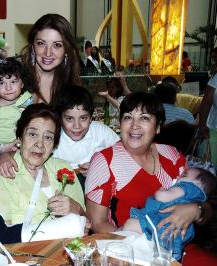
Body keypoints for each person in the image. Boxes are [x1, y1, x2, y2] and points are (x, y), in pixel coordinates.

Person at [85, 91, 215, 263]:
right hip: (128, 247)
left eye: (144, 118)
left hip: (178, 246)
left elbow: (206, 201)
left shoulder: (172, 155)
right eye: (127, 117)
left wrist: (196, 210)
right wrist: (138, 247)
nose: (134, 125)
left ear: (159, 126)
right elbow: (98, 222)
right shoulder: (105, 161)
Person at [0, 103, 86, 245]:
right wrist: (70, 225)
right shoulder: (2, 171)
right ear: (20, 138)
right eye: (32, 134)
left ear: (54, 145)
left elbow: (87, 226)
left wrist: (78, 210)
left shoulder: (63, 168)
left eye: (48, 138)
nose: (40, 144)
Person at [123, 167, 216, 260]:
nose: (179, 176)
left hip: (161, 227)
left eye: (184, 175)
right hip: (173, 237)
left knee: (130, 224)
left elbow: (162, 197)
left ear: (198, 184)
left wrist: (161, 192)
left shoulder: (187, 186)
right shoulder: (197, 198)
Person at [52, 85, 119, 186]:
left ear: (91, 117)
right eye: (69, 119)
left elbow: (123, 155)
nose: (77, 126)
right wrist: (78, 171)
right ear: (60, 119)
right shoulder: (54, 139)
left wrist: (102, 167)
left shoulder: (101, 132)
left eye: (83, 118)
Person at [20, 13, 82, 105]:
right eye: (41, 43)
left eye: (57, 45)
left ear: (66, 50)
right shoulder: (15, 77)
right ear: (32, 46)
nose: (48, 53)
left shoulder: (71, 85)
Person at [199, 72, 217, 166]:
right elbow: (206, 102)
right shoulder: (216, 78)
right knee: (211, 167)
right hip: (214, 129)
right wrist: (202, 126)